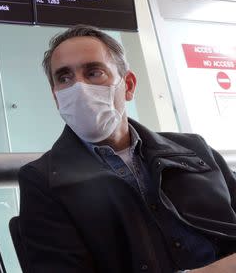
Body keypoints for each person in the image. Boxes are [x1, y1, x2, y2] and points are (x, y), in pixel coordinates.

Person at [17, 25, 236, 273]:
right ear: (56, 96)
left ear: (128, 85)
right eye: (64, 78)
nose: (79, 87)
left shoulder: (193, 149)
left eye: (94, 72)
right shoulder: (43, 182)